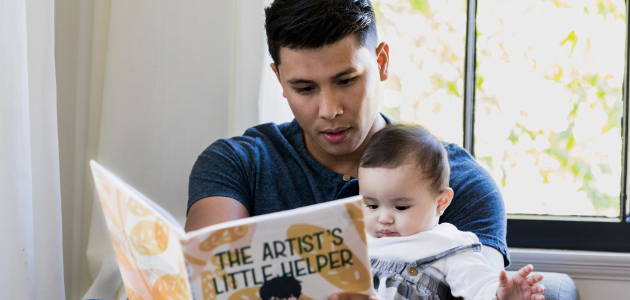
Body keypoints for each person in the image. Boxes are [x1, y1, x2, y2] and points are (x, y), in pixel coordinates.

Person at [185, 0, 542, 299]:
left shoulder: (459, 184)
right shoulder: (237, 164)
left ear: (381, 63)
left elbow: (487, 291)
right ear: (279, 80)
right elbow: (207, 281)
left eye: (346, 81)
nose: (329, 110)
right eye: (305, 89)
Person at [359, 124, 544, 300]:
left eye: (400, 207)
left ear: (441, 202)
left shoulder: (447, 245)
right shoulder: (355, 241)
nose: (383, 219)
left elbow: (480, 285)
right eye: (371, 206)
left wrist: (501, 293)